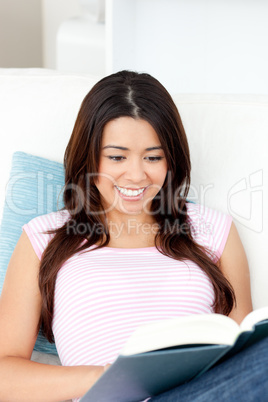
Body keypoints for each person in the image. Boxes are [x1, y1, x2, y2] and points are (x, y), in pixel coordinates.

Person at [0, 70, 266, 402]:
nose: (137, 175)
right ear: (89, 157)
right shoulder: (43, 237)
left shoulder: (215, 229)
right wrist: (112, 377)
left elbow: (240, 357)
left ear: (171, 160)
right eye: (117, 157)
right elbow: (4, 376)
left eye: (153, 157)